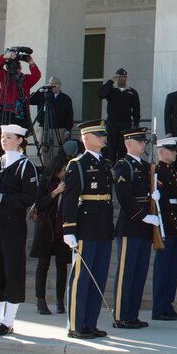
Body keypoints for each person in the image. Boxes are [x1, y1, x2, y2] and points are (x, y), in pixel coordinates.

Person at [0, 124, 38, 336]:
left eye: (9, 137)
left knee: (13, 269)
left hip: (13, 224)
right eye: (3, 137)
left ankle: (8, 320)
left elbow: (28, 198)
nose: (4, 140)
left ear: (21, 140)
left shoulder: (25, 166)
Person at [63, 121, 115, 339]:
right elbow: (69, 198)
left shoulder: (105, 163)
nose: (103, 137)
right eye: (98, 134)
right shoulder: (78, 164)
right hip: (86, 226)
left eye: (104, 134)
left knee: (98, 276)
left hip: (103, 225)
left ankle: (90, 323)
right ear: (86, 138)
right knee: (82, 278)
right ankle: (76, 324)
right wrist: (69, 229)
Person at [112, 126, 159, 328]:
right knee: (126, 273)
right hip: (131, 225)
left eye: (144, 141)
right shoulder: (124, 166)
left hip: (144, 228)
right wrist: (143, 216)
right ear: (128, 143)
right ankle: (121, 316)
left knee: (139, 273)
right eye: (139, 141)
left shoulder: (146, 166)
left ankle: (132, 314)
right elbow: (124, 197)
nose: (143, 144)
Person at [30, 140, 75, 316]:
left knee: (62, 266)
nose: (64, 173)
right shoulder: (45, 181)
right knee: (43, 265)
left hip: (61, 229)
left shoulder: (68, 183)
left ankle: (59, 300)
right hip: (45, 228)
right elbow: (39, 204)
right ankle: (40, 300)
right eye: (62, 170)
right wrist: (55, 192)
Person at [151, 136, 177, 320]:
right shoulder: (159, 171)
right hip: (167, 228)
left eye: (175, 150)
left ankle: (167, 304)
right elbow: (165, 204)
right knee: (164, 268)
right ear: (161, 151)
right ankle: (159, 307)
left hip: (176, 228)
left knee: (173, 268)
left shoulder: (173, 171)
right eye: (171, 150)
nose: (175, 153)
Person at [0, 50, 42, 137]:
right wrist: (5, 56)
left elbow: (36, 75)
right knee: (6, 140)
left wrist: (31, 63)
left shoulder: (25, 79)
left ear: (20, 67)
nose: (16, 68)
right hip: (7, 113)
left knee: (21, 141)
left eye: (18, 65)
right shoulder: (5, 77)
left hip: (22, 114)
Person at [98, 68, 140, 162]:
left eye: (124, 77)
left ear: (126, 78)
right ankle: (111, 169)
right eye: (120, 77)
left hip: (125, 124)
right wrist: (110, 81)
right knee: (111, 148)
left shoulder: (132, 92)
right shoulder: (111, 90)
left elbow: (136, 110)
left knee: (123, 148)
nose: (122, 79)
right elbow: (101, 94)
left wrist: (136, 124)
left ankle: (121, 169)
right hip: (112, 123)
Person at [30, 76, 75, 148]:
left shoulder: (66, 99)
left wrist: (68, 130)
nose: (53, 86)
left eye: (56, 83)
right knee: (43, 150)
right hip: (44, 127)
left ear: (60, 85)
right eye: (51, 84)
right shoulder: (42, 95)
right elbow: (30, 100)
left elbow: (69, 116)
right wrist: (40, 89)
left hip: (59, 129)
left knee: (57, 151)